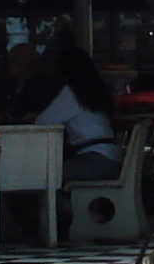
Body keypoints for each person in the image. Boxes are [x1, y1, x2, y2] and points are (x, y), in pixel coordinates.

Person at [35, 45, 119, 182]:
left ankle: (63, 205)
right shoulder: (94, 90)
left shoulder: (72, 93)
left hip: (94, 160)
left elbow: (43, 121)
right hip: (110, 158)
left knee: (42, 178)